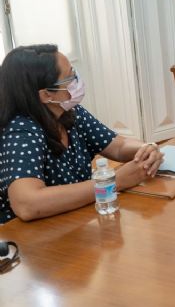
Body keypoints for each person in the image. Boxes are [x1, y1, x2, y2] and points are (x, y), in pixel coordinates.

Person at [0, 45, 164, 224]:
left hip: (75, 221)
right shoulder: (21, 132)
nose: (76, 81)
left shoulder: (69, 112)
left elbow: (118, 146)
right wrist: (114, 182)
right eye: (69, 77)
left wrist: (146, 148)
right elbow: (27, 204)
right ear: (46, 95)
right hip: (33, 239)